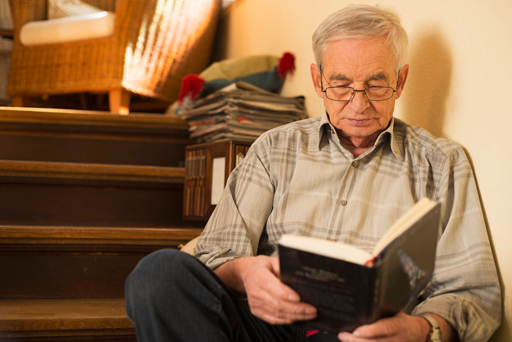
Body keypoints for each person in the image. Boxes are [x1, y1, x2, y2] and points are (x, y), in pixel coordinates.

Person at [125, 4, 501, 342]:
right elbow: (212, 258)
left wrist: (421, 329)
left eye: (376, 84)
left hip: (361, 336)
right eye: (340, 85)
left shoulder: (442, 163)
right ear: (318, 79)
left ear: (400, 81)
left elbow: (472, 293)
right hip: (263, 326)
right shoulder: (274, 148)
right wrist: (245, 273)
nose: (359, 103)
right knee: (159, 274)